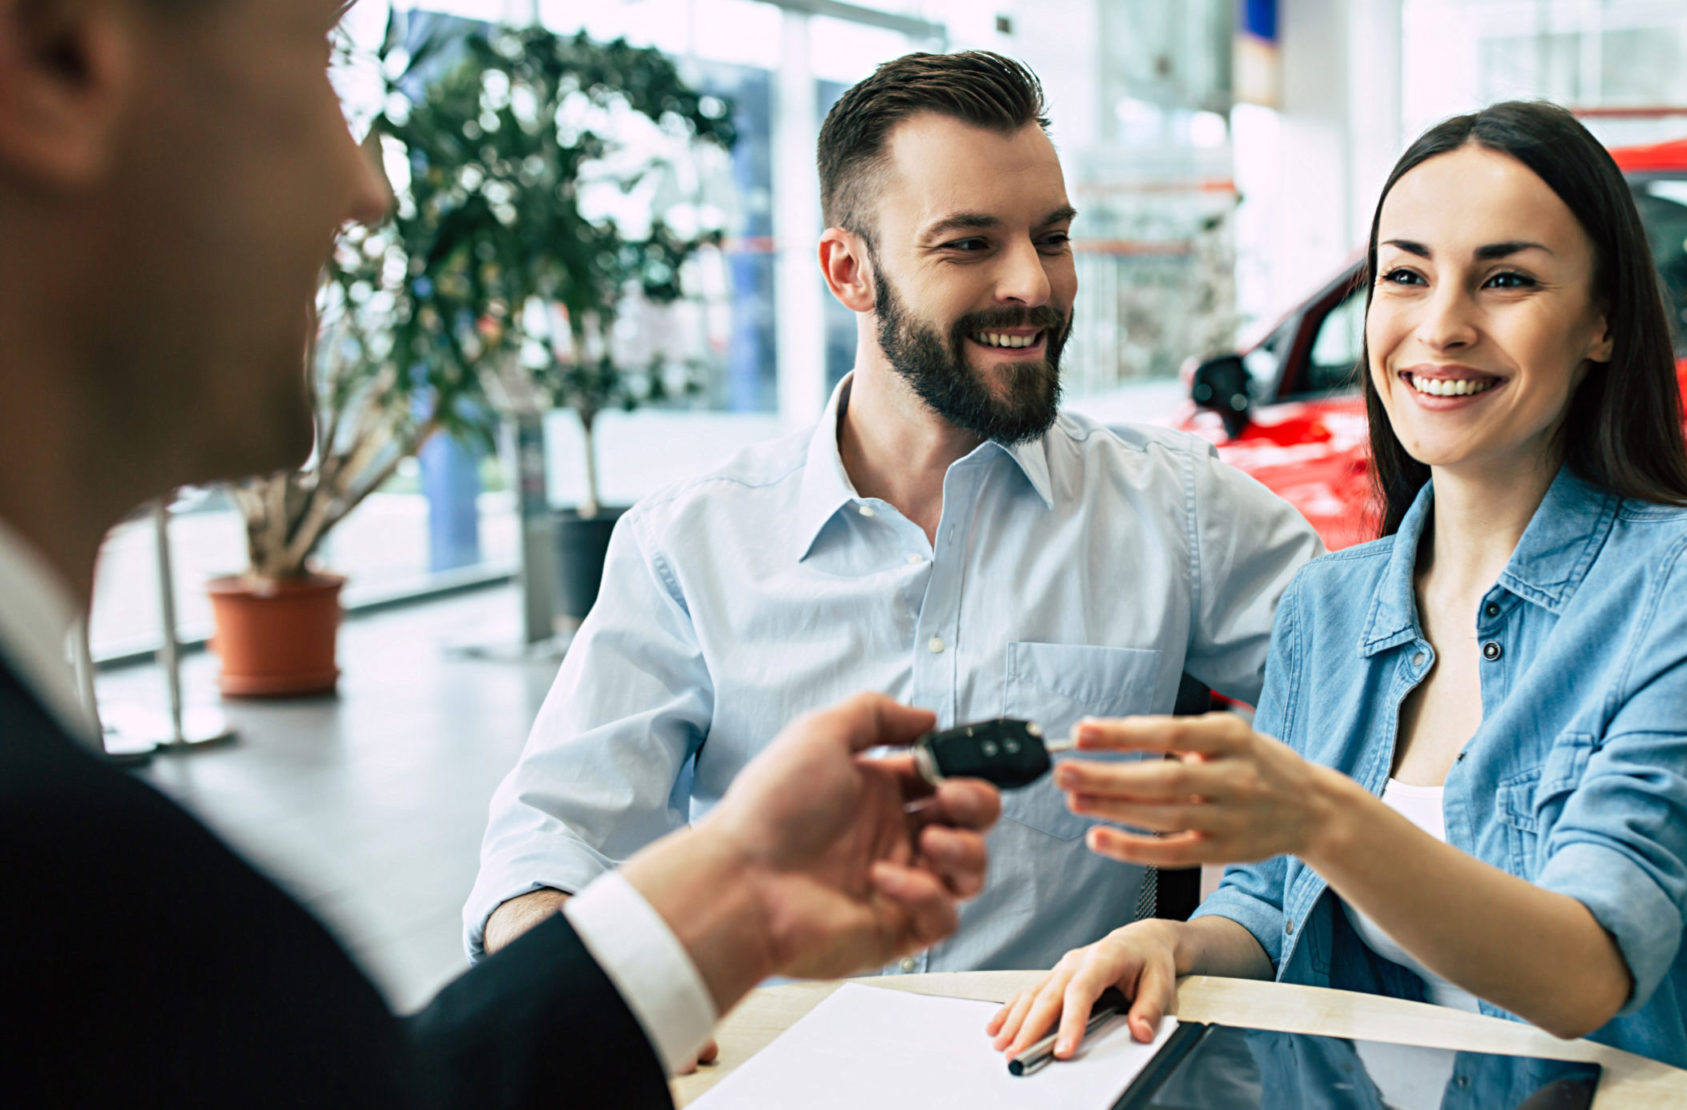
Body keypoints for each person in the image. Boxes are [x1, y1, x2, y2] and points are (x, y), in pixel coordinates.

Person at [0, 2, 999, 1106]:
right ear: (58, 60)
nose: (367, 191)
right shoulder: (92, 907)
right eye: (316, 56)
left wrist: (735, 899)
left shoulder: (96, 911)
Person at [989, 102, 1687, 1110]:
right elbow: (1266, 906)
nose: (1440, 326)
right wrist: (1170, 942)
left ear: (1601, 323)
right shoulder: (1326, 603)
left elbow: (1587, 973)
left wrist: (1322, 817)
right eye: (1405, 275)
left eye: (1505, 279)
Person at [463, 50, 1325, 976]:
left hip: (1054, 1050)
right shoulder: (689, 546)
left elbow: (1389, 701)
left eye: (1051, 238)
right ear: (850, 271)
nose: (1033, 285)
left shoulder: (1175, 509)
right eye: (969, 245)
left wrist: (1233, 924)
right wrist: (584, 1010)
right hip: (780, 1049)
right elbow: (552, 845)